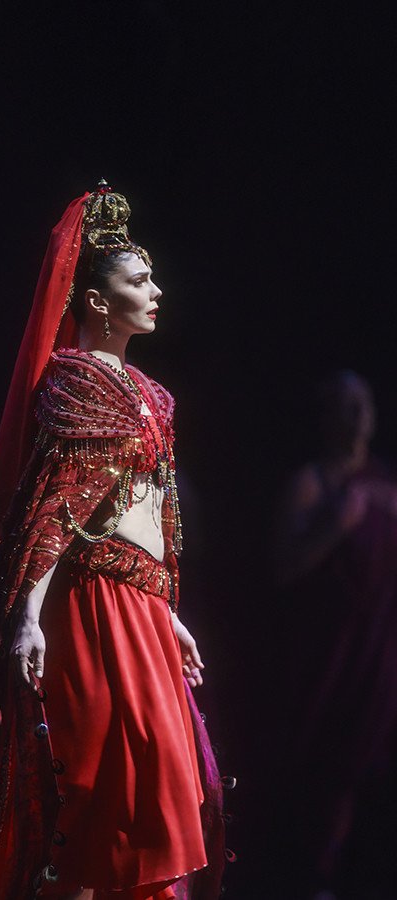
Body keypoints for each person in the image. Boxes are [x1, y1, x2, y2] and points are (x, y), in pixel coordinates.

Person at [0, 182, 226, 900]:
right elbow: (54, 510)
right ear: (94, 301)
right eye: (137, 280)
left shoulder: (153, 394)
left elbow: (140, 509)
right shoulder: (74, 382)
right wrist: (26, 614)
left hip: (140, 608)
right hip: (89, 609)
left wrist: (167, 611)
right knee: (92, 800)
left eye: (152, 276)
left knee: (154, 801)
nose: (156, 290)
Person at [271, 371, 397, 898]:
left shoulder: (387, 485)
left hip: (382, 652)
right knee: (326, 775)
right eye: (346, 406)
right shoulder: (311, 483)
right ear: (327, 418)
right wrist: (335, 527)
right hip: (331, 655)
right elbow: (282, 568)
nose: (357, 415)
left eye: (363, 404)